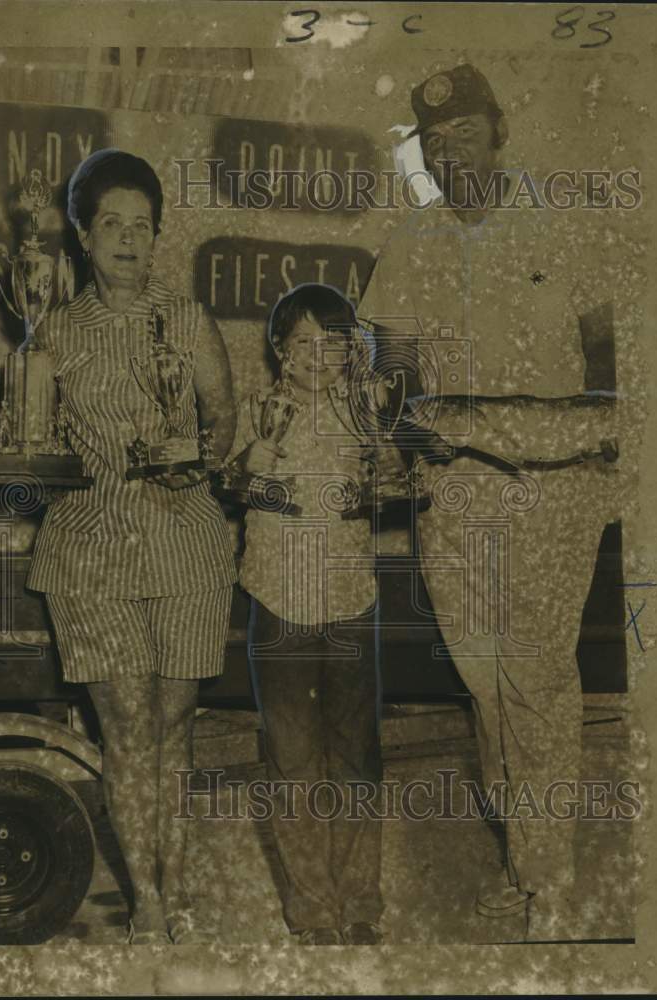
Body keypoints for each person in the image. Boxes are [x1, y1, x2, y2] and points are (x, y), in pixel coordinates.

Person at [359, 64, 623, 941]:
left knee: (538, 680)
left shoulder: (562, 224)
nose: (447, 152)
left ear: (498, 131)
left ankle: (549, 883)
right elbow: (392, 366)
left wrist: (599, 438)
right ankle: (522, 861)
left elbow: (605, 352)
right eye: (432, 143)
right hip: (455, 494)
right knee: (485, 686)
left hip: (552, 491)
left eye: (463, 134)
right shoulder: (410, 242)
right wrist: (403, 429)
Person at [26, 148, 237, 945]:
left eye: (139, 225)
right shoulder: (54, 331)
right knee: (127, 726)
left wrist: (198, 460)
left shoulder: (187, 321)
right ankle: (146, 899)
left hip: (185, 544)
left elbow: (225, 420)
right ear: (83, 235)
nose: (125, 239)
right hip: (93, 550)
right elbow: (28, 440)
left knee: (175, 723)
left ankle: (177, 889)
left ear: (156, 237)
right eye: (109, 223)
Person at [228, 283, 391, 946]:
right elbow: (232, 484)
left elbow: (394, 485)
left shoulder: (365, 415)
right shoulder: (257, 410)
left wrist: (385, 472)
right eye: (305, 343)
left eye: (335, 344)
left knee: (355, 754)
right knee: (291, 755)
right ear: (279, 351)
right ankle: (310, 907)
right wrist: (256, 463)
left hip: (351, 599)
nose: (320, 357)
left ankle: (359, 900)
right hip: (279, 599)